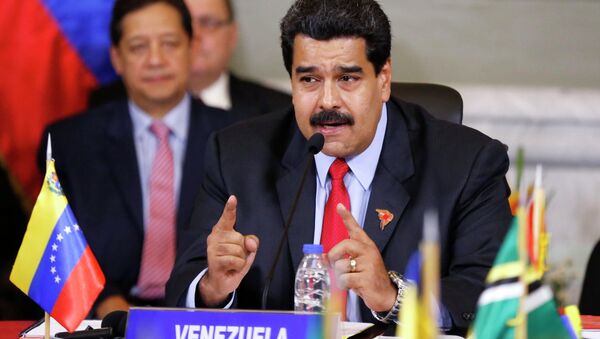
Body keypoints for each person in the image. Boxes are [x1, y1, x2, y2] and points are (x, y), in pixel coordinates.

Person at [166, 0, 512, 335]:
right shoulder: (237, 156)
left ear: (384, 78)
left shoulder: (467, 164)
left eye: (347, 79)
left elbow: (491, 296)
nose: (327, 101)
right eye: (309, 80)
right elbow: (184, 285)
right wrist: (213, 287)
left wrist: (392, 297)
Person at [38, 0, 233, 318]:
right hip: (103, 318)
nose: (156, 60)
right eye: (138, 47)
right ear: (117, 58)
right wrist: (108, 306)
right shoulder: (69, 143)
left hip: (207, 316)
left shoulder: (238, 136)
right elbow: (57, 249)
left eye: (170, 44)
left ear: (192, 48)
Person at [89, 0, 291, 121]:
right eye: (183, 24)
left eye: (207, 23)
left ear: (232, 35)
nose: (194, 34)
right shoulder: (104, 105)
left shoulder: (281, 111)